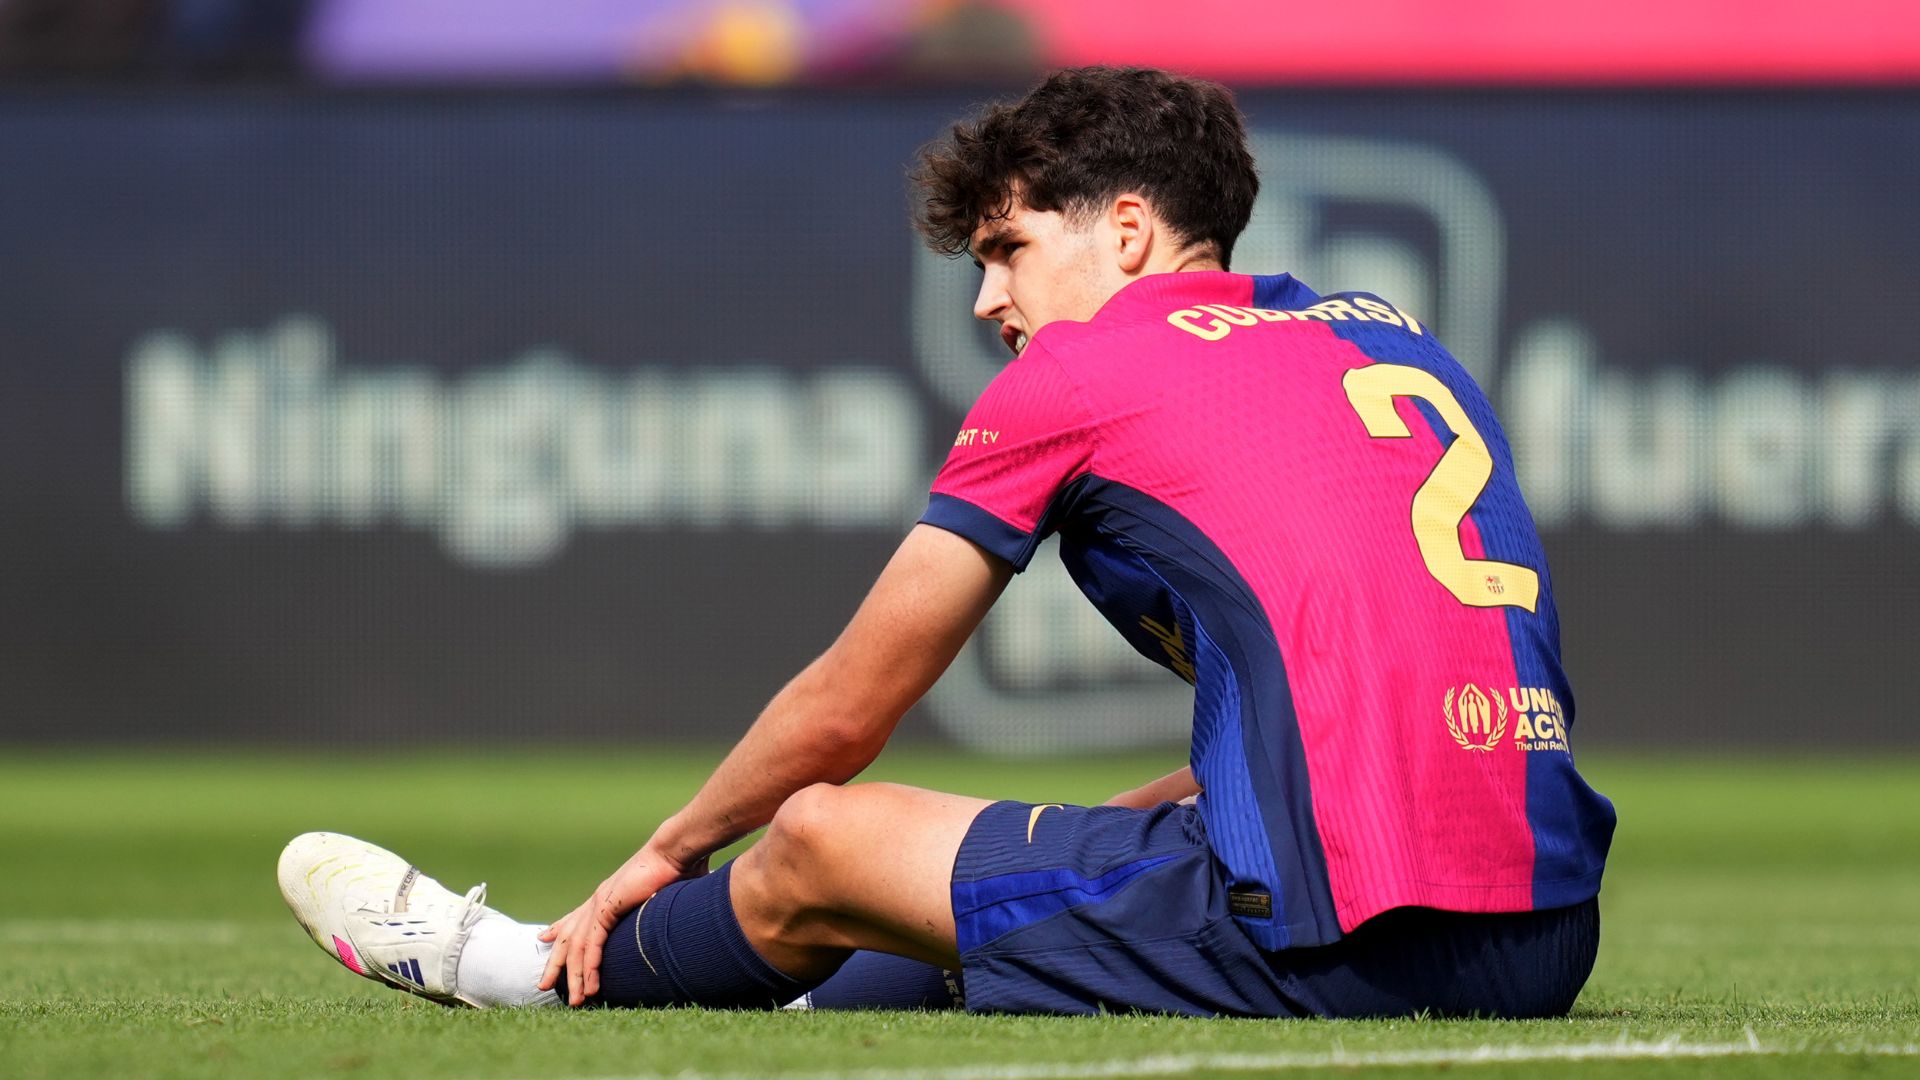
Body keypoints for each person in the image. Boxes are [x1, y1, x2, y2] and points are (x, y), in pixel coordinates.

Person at [279, 65, 1615, 1019]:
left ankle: (522, 970)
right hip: (1549, 936)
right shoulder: (1389, 330)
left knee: (816, 840)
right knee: (1147, 814)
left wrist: (672, 852)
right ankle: (816, 991)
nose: (988, 299)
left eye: (1007, 249)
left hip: (1344, 948)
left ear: (1132, 233)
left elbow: (847, 708)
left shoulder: (1085, 375)